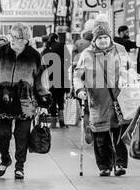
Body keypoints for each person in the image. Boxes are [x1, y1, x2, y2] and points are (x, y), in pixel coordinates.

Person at [0, 25, 50, 181]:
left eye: (20, 38)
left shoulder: (35, 56)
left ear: (27, 39)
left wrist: (44, 103)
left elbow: (41, 81)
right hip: (2, 100)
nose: (15, 41)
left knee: (22, 136)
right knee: (2, 135)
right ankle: (5, 159)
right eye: (14, 37)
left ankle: (19, 166)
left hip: (25, 102)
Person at [73, 18, 129, 177]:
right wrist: (79, 90)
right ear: (94, 39)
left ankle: (120, 164)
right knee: (100, 137)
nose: (103, 40)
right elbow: (77, 76)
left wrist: (129, 82)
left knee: (118, 133)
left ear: (110, 37)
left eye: (105, 37)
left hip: (118, 99)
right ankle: (104, 166)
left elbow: (129, 69)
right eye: (100, 38)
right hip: (97, 101)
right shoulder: (87, 54)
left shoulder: (120, 50)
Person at [43, 33, 69, 127]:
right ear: (56, 39)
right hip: (61, 74)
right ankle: (62, 122)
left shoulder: (46, 49)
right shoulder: (61, 45)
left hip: (50, 76)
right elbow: (67, 60)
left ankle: (53, 122)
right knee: (60, 99)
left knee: (52, 99)